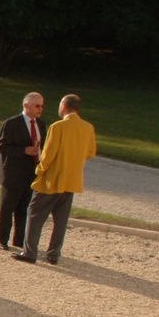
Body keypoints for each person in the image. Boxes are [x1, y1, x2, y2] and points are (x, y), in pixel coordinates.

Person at [15, 93, 97, 266]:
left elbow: (48, 154)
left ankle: (30, 252)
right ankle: (53, 254)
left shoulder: (58, 127)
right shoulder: (88, 127)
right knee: (61, 219)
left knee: (35, 214)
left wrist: (40, 169)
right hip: (72, 179)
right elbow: (90, 152)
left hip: (52, 178)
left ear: (64, 106)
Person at [0, 92, 47, 252]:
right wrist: (24, 150)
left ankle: (19, 240)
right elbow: (2, 147)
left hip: (31, 174)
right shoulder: (11, 123)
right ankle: (2, 239)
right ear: (26, 106)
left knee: (24, 208)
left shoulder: (41, 125)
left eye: (42, 105)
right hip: (12, 174)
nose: (40, 109)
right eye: (37, 106)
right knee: (7, 208)